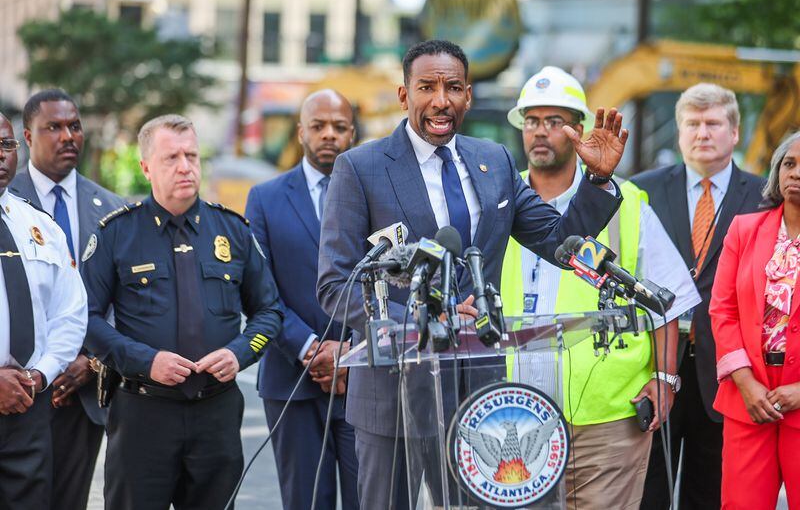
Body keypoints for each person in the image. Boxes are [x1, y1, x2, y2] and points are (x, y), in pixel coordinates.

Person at [317, 40, 628, 509]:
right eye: (427, 87)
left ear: (468, 96)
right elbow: (336, 286)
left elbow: (560, 240)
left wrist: (598, 181)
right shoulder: (360, 169)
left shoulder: (495, 162)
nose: (441, 99)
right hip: (393, 398)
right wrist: (426, 318)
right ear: (405, 95)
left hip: (478, 393)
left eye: (453, 88)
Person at [500, 66, 701, 508]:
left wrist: (665, 379)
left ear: (580, 131)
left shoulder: (625, 203)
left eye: (555, 122)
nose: (540, 132)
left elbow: (666, 301)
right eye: (532, 120)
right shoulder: (500, 201)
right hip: (517, 413)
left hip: (609, 414)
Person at [81, 114, 284, 509]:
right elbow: (84, 321)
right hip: (144, 411)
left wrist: (239, 353)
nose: (185, 166)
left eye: (191, 155)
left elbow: (269, 312)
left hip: (216, 412)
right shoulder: (116, 234)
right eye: (171, 157)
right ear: (145, 167)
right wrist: (145, 360)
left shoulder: (233, 231)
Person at [632, 83, 765, 509]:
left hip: (727, 370)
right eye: (692, 124)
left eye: (713, 123)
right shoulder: (640, 191)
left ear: (735, 132)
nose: (702, 133)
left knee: (710, 489)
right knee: (649, 487)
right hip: (652, 366)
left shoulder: (765, 197)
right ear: (679, 131)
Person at [9, 88, 124, 510]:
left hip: (81, 391)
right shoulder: (9, 201)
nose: (67, 136)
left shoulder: (111, 209)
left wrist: (91, 362)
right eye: (53, 127)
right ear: (27, 136)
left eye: (73, 126)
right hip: (17, 388)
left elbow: (123, 302)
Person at [245, 89, 359, 510]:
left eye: (339, 127)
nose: (329, 134)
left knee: (370, 499)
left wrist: (352, 352)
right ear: (301, 132)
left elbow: (390, 282)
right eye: (318, 126)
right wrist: (310, 348)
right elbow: (259, 289)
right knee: (305, 501)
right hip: (290, 378)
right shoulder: (266, 198)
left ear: (352, 132)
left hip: (361, 378)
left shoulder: (374, 194)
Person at [0, 112, 88, 508]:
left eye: (6, 145)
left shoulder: (39, 225)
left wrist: (39, 375)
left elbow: (70, 313)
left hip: (27, 407)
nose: (1, 156)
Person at [710, 130, 800, 509]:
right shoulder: (744, 230)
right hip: (750, 399)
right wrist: (745, 383)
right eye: (789, 163)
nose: (795, 173)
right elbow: (722, 310)